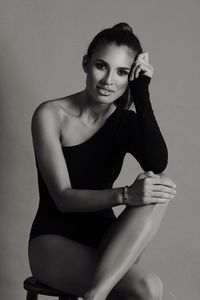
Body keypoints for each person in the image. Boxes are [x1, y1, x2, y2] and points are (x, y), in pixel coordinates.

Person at [28, 22, 177, 300]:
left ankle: (96, 293)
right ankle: (97, 294)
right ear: (86, 64)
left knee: (160, 184)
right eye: (101, 66)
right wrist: (125, 195)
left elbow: (158, 162)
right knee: (152, 289)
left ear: (129, 77)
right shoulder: (50, 114)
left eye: (121, 72)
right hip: (52, 243)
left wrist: (141, 91)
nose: (109, 80)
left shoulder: (125, 123)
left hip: (107, 244)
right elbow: (63, 198)